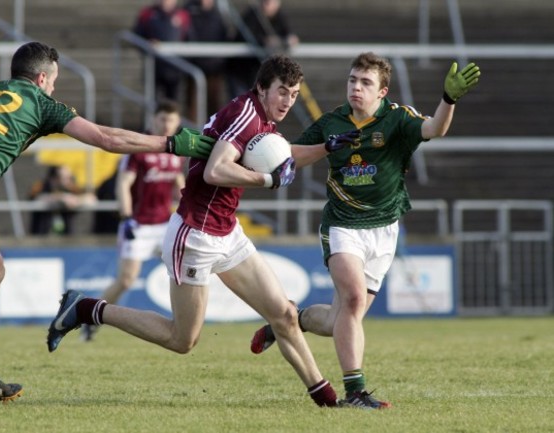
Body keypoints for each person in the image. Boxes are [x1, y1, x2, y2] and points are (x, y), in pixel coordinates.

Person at [0, 41, 213, 404]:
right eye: (53, 81)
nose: (54, 88)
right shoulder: (40, 102)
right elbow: (106, 138)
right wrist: (172, 143)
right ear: (41, 78)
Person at [47, 55, 361, 408]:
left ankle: (328, 400)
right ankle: (88, 308)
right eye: (282, 92)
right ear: (261, 88)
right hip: (195, 234)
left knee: (285, 315)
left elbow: (281, 155)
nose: (288, 100)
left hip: (227, 232)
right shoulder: (246, 116)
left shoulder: (262, 118)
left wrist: (325, 148)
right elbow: (216, 170)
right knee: (182, 340)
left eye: (294, 94)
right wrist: (266, 179)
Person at [249, 52, 481, 409]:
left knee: (338, 318)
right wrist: (316, 148)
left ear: (382, 91)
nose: (356, 88)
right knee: (354, 300)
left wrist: (448, 100)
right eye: (352, 80)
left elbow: (434, 128)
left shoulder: (397, 119)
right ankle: (355, 392)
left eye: (365, 83)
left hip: (385, 230)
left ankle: (288, 320)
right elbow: (288, 151)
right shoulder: (331, 122)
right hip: (342, 225)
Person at [81, 100, 185, 341]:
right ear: (153, 120)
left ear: (177, 122)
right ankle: (89, 317)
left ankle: (184, 322)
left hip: (165, 225)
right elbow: (124, 183)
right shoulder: (140, 148)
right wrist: (126, 217)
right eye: (162, 119)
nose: (166, 124)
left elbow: (179, 185)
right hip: (138, 224)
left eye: (171, 120)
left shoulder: (177, 151)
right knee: (126, 280)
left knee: (184, 270)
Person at [227, 0, 299, 97]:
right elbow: (247, 36)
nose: (267, 5)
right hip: (241, 70)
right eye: (265, 2)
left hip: (259, 71)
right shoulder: (252, 15)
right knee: (241, 102)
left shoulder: (280, 16)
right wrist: (265, 41)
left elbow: (289, 35)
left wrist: (285, 40)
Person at [133, 0, 192, 101]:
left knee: (173, 104)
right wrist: (148, 45)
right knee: (151, 103)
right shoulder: (147, 14)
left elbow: (190, 39)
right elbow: (137, 37)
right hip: (153, 67)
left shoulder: (183, 15)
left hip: (175, 68)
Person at [183, 0, 229, 119]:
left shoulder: (219, 14)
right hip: (193, 66)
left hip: (214, 68)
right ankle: (192, 136)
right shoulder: (189, 10)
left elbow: (224, 36)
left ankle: (213, 135)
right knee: (193, 107)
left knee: (213, 105)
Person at [29, 164, 96, 235]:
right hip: (41, 238)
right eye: (64, 178)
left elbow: (91, 198)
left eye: (69, 178)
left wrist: (78, 200)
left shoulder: (71, 190)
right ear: (54, 179)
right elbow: (37, 198)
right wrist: (60, 198)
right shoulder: (40, 187)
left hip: (66, 240)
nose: (68, 182)